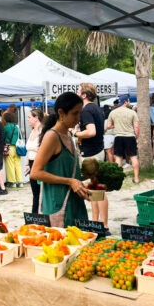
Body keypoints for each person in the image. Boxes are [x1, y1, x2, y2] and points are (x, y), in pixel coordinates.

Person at [30, 92, 90, 227]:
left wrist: (83, 177)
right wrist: (70, 181)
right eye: (75, 113)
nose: (78, 118)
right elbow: (35, 173)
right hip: (58, 206)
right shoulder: (52, 136)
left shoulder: (68, 134)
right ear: (61, 113)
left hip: (74, 204)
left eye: (80, 113)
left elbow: (64, 170)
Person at [75, 83, 110, 235]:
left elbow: (92, 131)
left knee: (98, 190)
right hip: (96, 151)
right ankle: (96, 222)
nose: (76, 91)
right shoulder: (96, 108)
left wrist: (76, 134)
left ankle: (104, 225)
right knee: (94, 190)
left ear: (84, 95)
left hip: (92, 153)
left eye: (78, 90)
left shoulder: (86, 110)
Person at [107, 95, 140, 184]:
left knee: (118, 158)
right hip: (130, 136)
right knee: (133, 157)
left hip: (118, 137)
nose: (129, 102)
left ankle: (119, 178)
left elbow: (108, 126)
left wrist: (116, 125)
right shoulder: (132, 112)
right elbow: (136, 127)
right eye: (128, 100)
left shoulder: (113, 112)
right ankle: (136, 179)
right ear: (126, 102)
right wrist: (136, 137)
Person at [25, 109, 44, 213]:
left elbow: (42, 149)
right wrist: (27, 164)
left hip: (40, 164)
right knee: (35, 193)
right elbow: (29, 149)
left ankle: (38, 215)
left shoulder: (43, 131)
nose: (28, 120)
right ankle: (35, 216)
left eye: (29, 117)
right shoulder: (32, 131)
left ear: (36, 118)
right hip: (32, 164)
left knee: (41, 192)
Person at [3, 112, 23, 188]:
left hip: (9, 148)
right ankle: (20, 182)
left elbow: (3, 138)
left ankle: (12, 182)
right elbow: (21, 137)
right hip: (18, 147)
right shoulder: (17, 127)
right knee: (18, 164)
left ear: (6, 119)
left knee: (10, 165)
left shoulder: (5, 128)